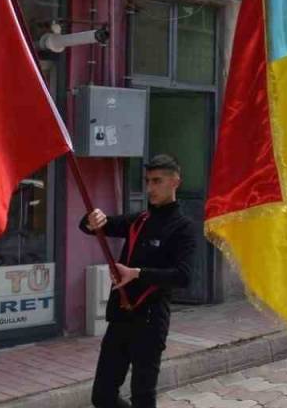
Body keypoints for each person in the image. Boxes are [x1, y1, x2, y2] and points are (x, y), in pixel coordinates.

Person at [82, 155, 197, 408]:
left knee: (143, 399)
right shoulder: (139, 220)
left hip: (150, 320)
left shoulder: (183, 228)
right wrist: (93, 219)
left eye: (157, 181)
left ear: (175, 182)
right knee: (102, 396)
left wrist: (137, 273)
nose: (150, 188)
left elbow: (183, 276)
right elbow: (93, 227)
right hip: (121, 318)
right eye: (147, 181)